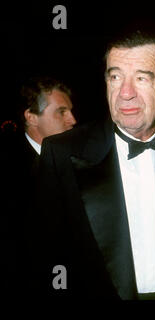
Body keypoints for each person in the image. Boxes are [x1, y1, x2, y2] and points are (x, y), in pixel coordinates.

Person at [35, 30, 155, 299]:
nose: (125, 93)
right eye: (115, 77)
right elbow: (45, 255)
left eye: (141, 78)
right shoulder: (62, 154)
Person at [0, 76, 76, 298]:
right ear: (32, 117)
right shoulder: (10, 173)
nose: (73, 119)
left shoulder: (75, 160)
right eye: (61, 112)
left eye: (70, 110)